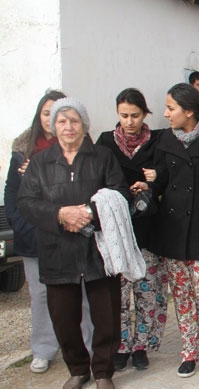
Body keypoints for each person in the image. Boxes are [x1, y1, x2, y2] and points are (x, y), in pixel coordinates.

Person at [17, 97, 131, 389]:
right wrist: (60, 215)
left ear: (84, 125)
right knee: (64, 318)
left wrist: (89, 213)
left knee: (106, 315)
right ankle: (78, 369)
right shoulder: (40, 163)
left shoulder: (103, 157)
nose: (68, 126)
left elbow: (118, 192)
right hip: (57, 250)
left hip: (97, 248)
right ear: (53, 126)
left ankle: (104, 371)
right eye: (62, 121)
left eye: (74, 121)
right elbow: (26, 203)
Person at [142, 83, 199, 377]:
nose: (166, 113)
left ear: (189, 111)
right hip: (173, 229)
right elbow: (162, 180)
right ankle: (189, 350)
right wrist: (146, 186)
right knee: (182, 295)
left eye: (171, 108)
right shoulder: (164, 140)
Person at [5, 89, 94, 374]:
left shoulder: (82, 148)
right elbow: (13, 196)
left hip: (74, 234)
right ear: (41, 117)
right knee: (42, 295)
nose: (54, 119)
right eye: (47, 113)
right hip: (36, 236)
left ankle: (88, 348)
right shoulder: (23, 151)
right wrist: (24, 227)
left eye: (60, 114)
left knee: (80, 293)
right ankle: (43, 348)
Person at [95, 88, 167, 371]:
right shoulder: (104, 143)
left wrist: (154, 181)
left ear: (145, 114)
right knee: (119, 294)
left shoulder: (159, 141)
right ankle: (121, 345)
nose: (129, 121)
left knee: (148, 291)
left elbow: (169, 179)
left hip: (149, 228)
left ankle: (142, 346)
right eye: (124, 115)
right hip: (117, 232)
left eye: (135, 115)